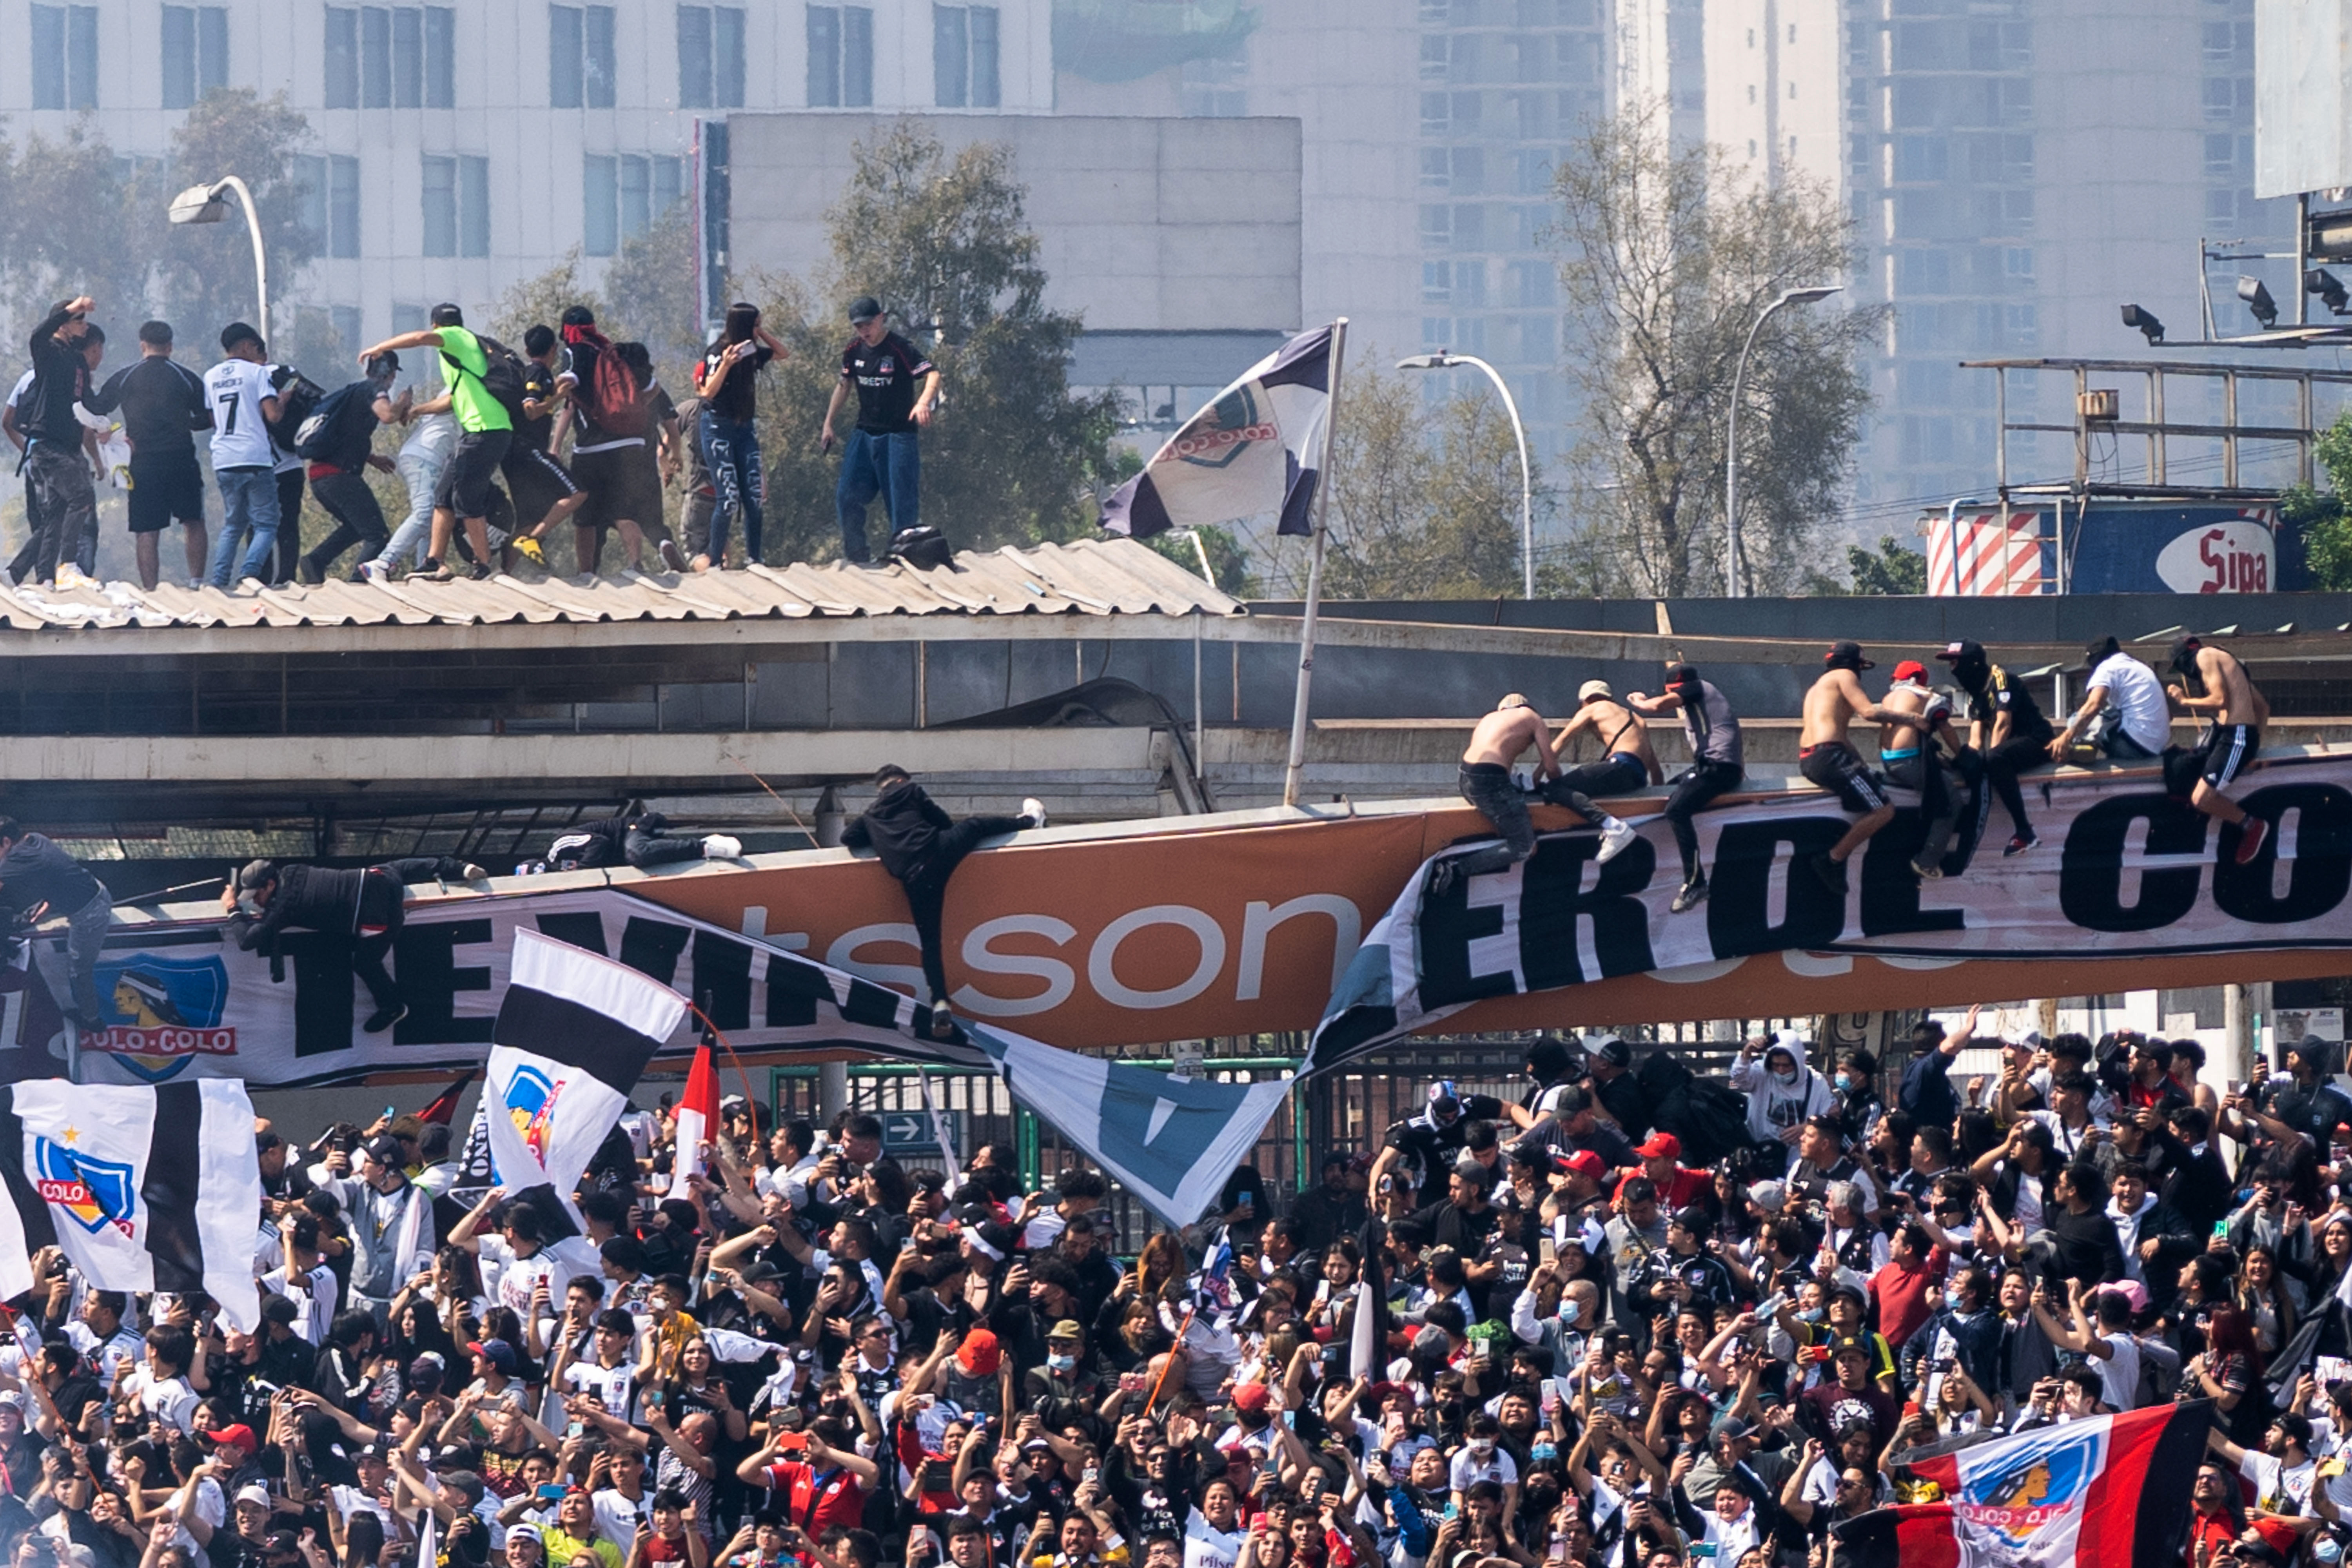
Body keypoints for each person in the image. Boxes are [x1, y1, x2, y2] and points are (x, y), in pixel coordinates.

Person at [842, 766, 1044, 1039]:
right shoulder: (911, 791)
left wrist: (880, 835)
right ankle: (1030, 822)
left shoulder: (869, 817)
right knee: (974, 826)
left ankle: (940, 1003)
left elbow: (848, 839)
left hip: (914, 878)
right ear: (902, 780)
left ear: (880, 789)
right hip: (936, 852)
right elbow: (944, 822)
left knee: (930, 941)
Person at [221, 854, 484, 1034]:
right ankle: (458, 868)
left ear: (270, 884)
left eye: (258, 895)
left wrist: (233, 909)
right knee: (396, 868)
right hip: (378, 879)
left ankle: (393, 1007)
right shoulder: (293, 870)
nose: (256, 903)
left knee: (365, 962)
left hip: (375, 916)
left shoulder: (283, 908)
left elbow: (247, 941)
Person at [359, 303, 514, 582]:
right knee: (443, 495)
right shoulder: (466, 354)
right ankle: (434, 562)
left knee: (466, 498)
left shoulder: (456, 338)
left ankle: (483, 566)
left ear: (436, 326)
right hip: (481, 431)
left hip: (485, 430)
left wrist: (379, 347)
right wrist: (417, 410)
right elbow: (453, 399)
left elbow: (419, 339)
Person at [80, 319, 212, 590]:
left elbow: (97, 408)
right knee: (193, 520)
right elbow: (206, 417)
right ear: (170, 347)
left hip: (142, 461)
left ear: (143, 346)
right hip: (181, 458)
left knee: (146, 529)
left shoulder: (127, 376)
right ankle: (197, 582)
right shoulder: (186, 377)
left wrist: (109, 431)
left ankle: (151, 589)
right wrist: (183, 423)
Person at [823, 297, 938, 565]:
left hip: (898, 435)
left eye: (868, 324)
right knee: (847, 495)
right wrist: (828, 423)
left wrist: (923, 402)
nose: (864, 331)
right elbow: (844, 385)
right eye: (858, 326)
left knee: (900, 499)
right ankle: (857, 553)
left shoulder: (899, 348)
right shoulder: (853, 350)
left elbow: (933, 374)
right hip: (865, 433)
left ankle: (903, 553)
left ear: (881, 318)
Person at [1622, 663, 1744, 913]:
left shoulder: (1699, 688)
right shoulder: (1700, 702)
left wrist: (1639, 701)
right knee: (1667, 793)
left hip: (1719, 768)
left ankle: (1696, 882)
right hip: (1709, 767)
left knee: (1677, 810)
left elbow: (1657, 707)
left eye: (1677, 694)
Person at [1795, 642, 1911, 891]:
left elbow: (1842, 738)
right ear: (1854, 664)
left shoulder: (1818, 686)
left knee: (1863, 801)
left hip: (1811, 756)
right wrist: (1911, 719)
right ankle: (1832, 859)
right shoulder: (1844, 676)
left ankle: (1840, 842)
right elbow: (1868, 713)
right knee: (1884, 811)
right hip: (1829, 755)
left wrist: (1862, 766)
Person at [1934, 638, 2054, 857]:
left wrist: (1991, 761)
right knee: (1973, 762)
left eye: (1955, 663)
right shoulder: (1976, 698)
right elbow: (1975, 742)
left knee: (1994, 759)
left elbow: (2003, 724)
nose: (1953, 670)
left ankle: (2025, 831)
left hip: (2038, 741)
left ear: (1973, 663)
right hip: (2012, 748)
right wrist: (1961, 761)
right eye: (1950, 664)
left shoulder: (2001, 679)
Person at [295, 354, 409, 583]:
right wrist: (404, 403)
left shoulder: (354, 392)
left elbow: (346, 434)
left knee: (357, 528)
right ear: (390, 373)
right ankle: (359, 583)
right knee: (378, 536)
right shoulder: (373, 389)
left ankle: (316, 560)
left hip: (321, 477)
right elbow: (388, 415)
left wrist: (371, 458)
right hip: (339, 476)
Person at [19, 297, 105, 589]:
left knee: (56, 512)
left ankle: (44, 577)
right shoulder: (48, 351)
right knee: (82, 498)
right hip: (47, 443)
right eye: (79, 320)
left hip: (69, 443)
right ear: (65, 323)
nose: (85, 325)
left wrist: (108, 427)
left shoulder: (77, 359)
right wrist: (70, 308)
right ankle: (69, 565)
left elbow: (89, 401)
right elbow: (37, 335)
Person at [2162, 635, 2272, 864]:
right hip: (2234, 735)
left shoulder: (2205, 656)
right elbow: (2262, 706)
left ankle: (2252, 825)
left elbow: (2219, 700)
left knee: (2202, 799)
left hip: (2235, 735)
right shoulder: (2228, 661)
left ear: (2184, 659)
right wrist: (2255, 747)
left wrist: (2184, 701)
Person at [694, 302, 786, 570]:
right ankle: (714, 562)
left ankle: (755, 558)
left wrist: (761, 334)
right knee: (729, 496)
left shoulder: (752, 352)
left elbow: (783, 353)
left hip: (745, 429)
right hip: (717, 428)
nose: (758, 330)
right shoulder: (718, 352)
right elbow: (707, 393)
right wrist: (726, 364)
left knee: (753, 497)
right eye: (755, 325)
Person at [0, 816, 113, 1032]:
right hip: (89, 888)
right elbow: (55, 869)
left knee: (79, 969)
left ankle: (92, 1020)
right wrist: (50, 904)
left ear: (6, 842)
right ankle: (50, 904)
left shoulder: (14, 862)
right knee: (29, 915)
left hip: (90, 913)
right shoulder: (35, 839)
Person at [204, 321, 288, 588]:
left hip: (224, 457)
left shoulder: (211, 376)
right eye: (254, 347)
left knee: (233, 524)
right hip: (254, 456)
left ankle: (219, 580)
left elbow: (213, 418)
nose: (257, 352)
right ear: (244, 346)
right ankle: (250, 574)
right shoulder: (257, 373)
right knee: (267, 524)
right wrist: (284, 398)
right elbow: (273, 416)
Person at [501, 323, 591, 570]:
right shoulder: (538, 373)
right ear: (554, 349)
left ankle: (505, 572)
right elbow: (530, 411)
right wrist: (559, 396)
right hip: (528, 451)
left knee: (529, 517)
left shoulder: (524, 372)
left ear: (527, 348)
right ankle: (532, 540)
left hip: (512, 455)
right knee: (577, 493)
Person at [1879, 658, 1973, 881]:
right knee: (1951, 801)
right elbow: (1945, 728)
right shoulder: (1926, 696)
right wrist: (1962, 755)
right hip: (1909, 762)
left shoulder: (1888, 698)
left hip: (1888, 762)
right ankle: (1927, 861)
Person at [2050, 636, 2172, 762]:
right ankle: (2087, 743)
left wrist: (2066, 737)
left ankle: (2078, 748)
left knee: (2075, 719)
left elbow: (2094, 706)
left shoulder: (2107, 668)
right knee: (2112, 711)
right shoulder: (2139, 666)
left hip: (2133, 748)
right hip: (2156, 748)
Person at [541, 811, 740, 872]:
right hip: (624, 856)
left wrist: (585, 869)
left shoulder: (559, 847)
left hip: (630, 831)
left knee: (638, 854)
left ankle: (706, 846)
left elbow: (598, 843)